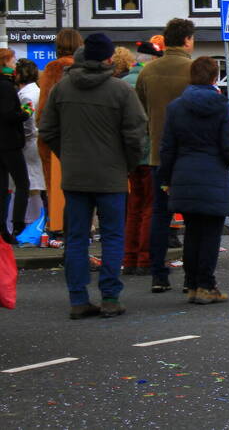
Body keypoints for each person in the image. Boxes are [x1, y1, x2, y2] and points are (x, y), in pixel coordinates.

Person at [39, 33, 147, 319]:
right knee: (112, 236)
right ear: (109, 58)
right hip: (111, 175)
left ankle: (78, 298)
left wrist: (69, 155)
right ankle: (110, 297)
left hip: (75, 175)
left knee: (76, 238)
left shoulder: (62, 89)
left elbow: (47, 130)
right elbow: (136, 135)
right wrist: (127, 164)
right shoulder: (121, 91)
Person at [158, 56, 229, 305]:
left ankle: (192, 283)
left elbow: (167, 147)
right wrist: (227, 162)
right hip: (213, 172)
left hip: (184, 173)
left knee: (193, 231)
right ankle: (206, 284)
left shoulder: (176, 107)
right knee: (211, 234)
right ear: (215, 77)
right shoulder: (221, 106)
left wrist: (167, 176)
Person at [135, 18, 195, 292]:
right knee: (195, 218)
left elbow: (141, 109)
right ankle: (192, 277)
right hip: (190, 155)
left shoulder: (148, 71)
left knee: (160, 214)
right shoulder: (193, 69)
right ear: (186, 40)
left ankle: (158, 273)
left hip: (158, 154)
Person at [120, 40, 163, 275]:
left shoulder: (123, 82)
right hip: (149, 153)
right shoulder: (150, 82)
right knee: (149, 207)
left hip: (128, 155)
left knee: (133, 207)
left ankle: (129, 258)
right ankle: (145, 258)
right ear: (153, 60)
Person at [36, 28, 83, 237]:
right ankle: (84, 228)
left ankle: (57, 226)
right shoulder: (85, 68)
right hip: (81, 137)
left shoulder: (54, 68)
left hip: (55, 138)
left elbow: (43, 110)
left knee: (55, 186)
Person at [0, 49, 31, 243]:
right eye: (13, 61)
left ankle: (3, 228)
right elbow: (9, 114)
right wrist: (26, 112)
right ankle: (18, 225)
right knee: (22, 183)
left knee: (2, 186)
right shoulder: (6, 86)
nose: (14, 65)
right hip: (9, 142)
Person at [14, 59, 45, 232]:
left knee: (32, 183)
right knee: (35, 182)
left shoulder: (26, 95)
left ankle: (34, 222)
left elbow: (27, 122)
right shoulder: (36, 90)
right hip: (35, 141)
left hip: (30, 143)